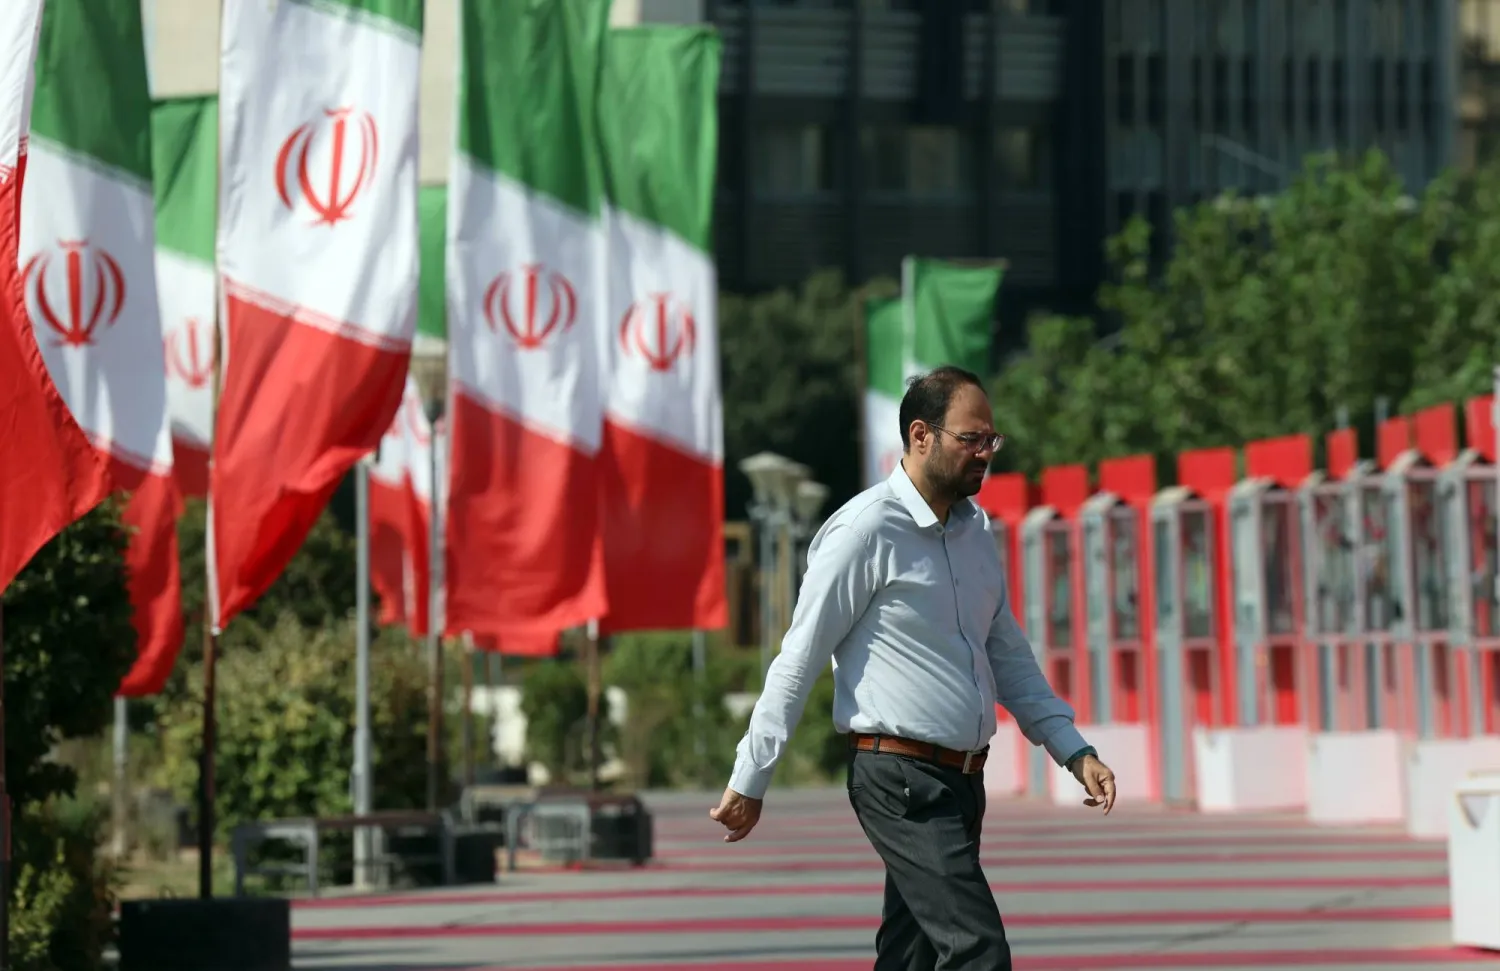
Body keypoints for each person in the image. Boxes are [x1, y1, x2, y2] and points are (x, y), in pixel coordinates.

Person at [710, 365, 1117, 971]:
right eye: (971, 439)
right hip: (899, 779)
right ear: (920, 435)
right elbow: (798, 658)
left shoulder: (975, 533)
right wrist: (752, 775)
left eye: (991, 440)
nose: (985, 453)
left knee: (910, 960)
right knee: (978, 950)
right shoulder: (865, 531)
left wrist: (1073, 749)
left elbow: (1007, 656)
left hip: (962, 781)